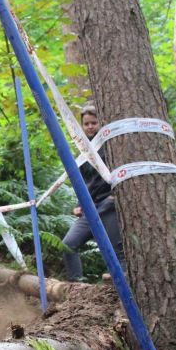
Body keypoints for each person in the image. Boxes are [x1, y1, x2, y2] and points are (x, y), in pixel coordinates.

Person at [62, 105, 125, 281]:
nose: (90, 126)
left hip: (110, 206)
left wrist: (113, 198)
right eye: (86, 124)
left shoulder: (111, 146)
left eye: (94, 123)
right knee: (68, 245)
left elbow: (121, 174)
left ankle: (122, 292)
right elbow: (82, 183)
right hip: (90, 208)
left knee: (117, 253)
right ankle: (77, 288)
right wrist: (79, 204)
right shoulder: (82, 150)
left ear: (101, 123)